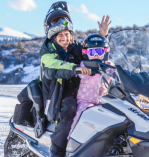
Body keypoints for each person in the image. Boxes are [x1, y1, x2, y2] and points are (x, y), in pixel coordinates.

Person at [40, 2, 111, 156]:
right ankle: (57, 150)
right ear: (53, 37)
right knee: (69, 111)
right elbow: (56, 67)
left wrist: (103, 36)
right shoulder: (48, 53)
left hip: (83, 90)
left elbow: (93, 52)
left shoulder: (76, 47)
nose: (64, 38)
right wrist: (75, 68)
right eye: (60, 35)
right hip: (61, 94)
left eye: (67, 34)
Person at [67, 34, 115, 140]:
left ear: (105, 52)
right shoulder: (84, 65)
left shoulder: (109, 65)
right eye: (92, 52)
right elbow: (80, 72)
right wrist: (86, 71)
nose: (96, 55)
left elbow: (118, 74)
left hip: (105, 101)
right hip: (86, 101)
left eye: (100, 51)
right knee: (81, 115)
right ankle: (73, 139)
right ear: (86, 53)